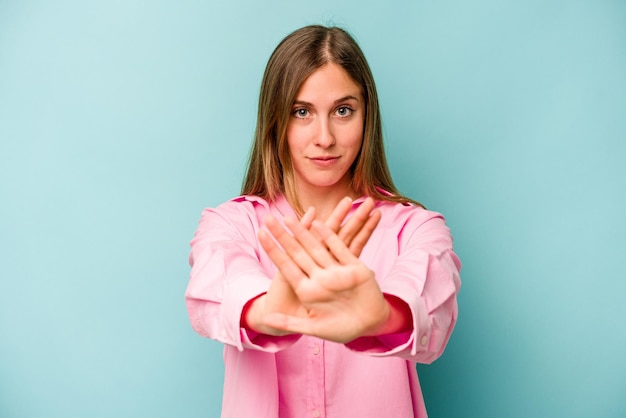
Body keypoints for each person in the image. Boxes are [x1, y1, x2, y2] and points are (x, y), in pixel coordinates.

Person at [186, 25, 461, 418]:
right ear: (275, 121)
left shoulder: (415, 228)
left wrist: (383, 315)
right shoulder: (230, 224)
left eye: (343, 111)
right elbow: (215, 290)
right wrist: (268, 312)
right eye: (302, 112)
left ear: (368, 117)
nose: (325, 137)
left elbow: (433, 308)